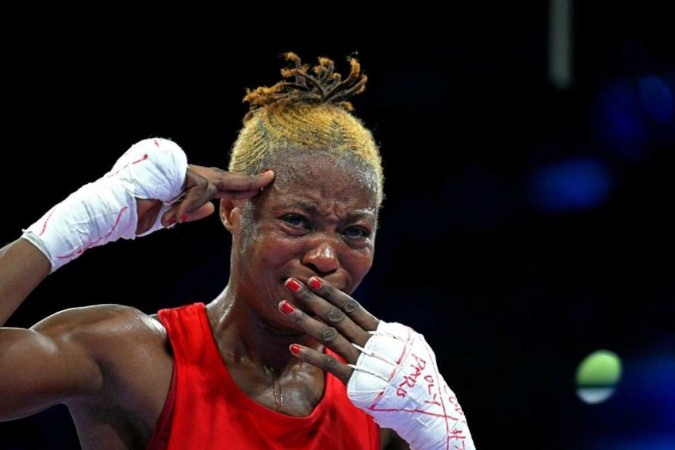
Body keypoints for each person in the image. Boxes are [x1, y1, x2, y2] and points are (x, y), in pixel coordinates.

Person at [0, 51, 476, 450]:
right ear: (232, 212)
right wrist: (76, 223)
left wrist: (448, 438)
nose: (326, 259)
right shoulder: (132, 357)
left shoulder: (388, 404)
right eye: (296, 221)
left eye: (354, 232)